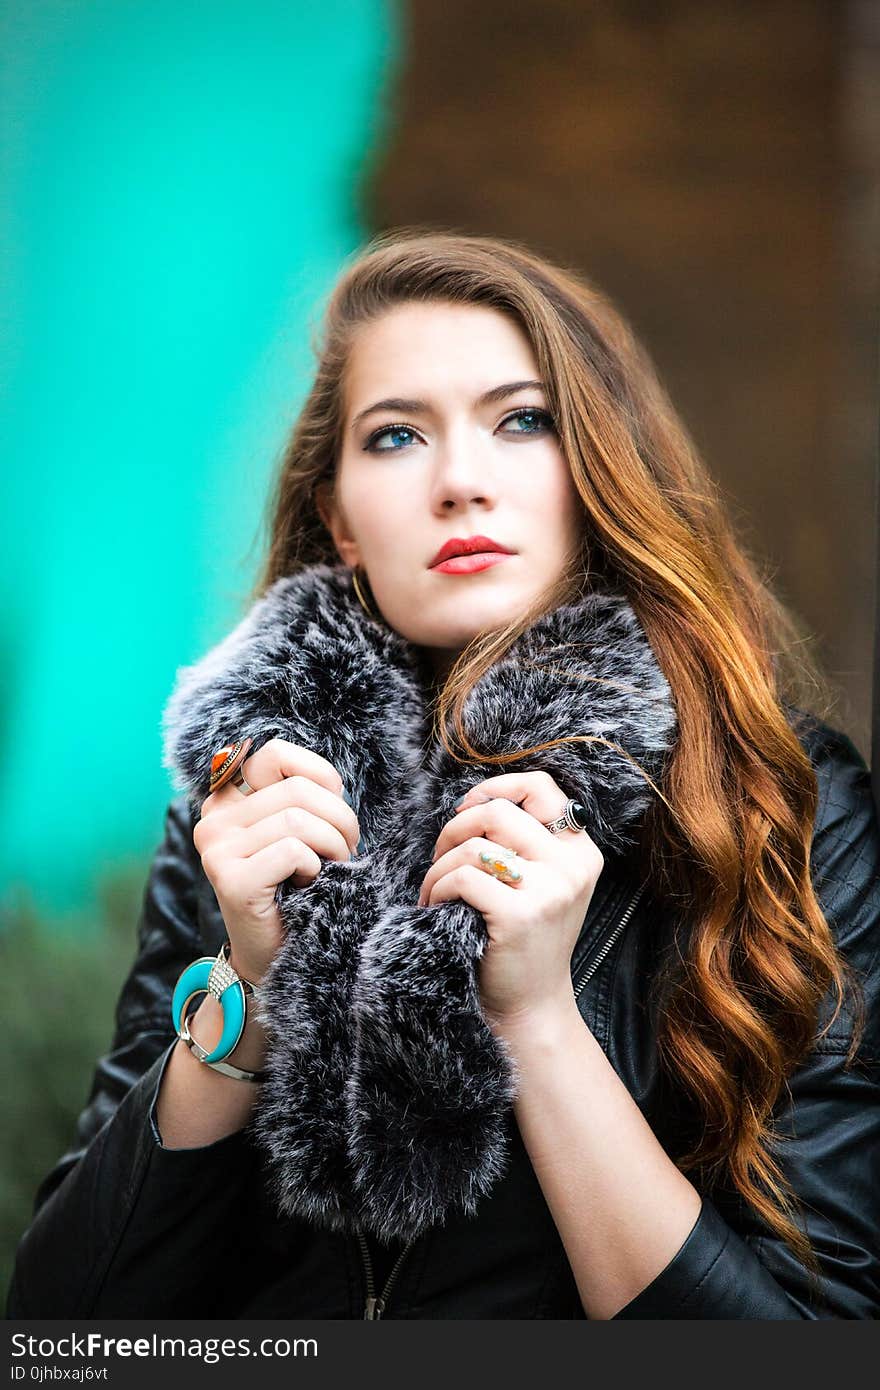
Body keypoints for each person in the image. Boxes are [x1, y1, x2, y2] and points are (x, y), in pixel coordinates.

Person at [7, 230, 879, 1320]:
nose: (459, 481)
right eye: (394, 437)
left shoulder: (776, 800)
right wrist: (251, 986)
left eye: (521, 419)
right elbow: (64, 1330)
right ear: (341, 523)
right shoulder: (252, 805)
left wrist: (540, 1020)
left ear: (596, 471)